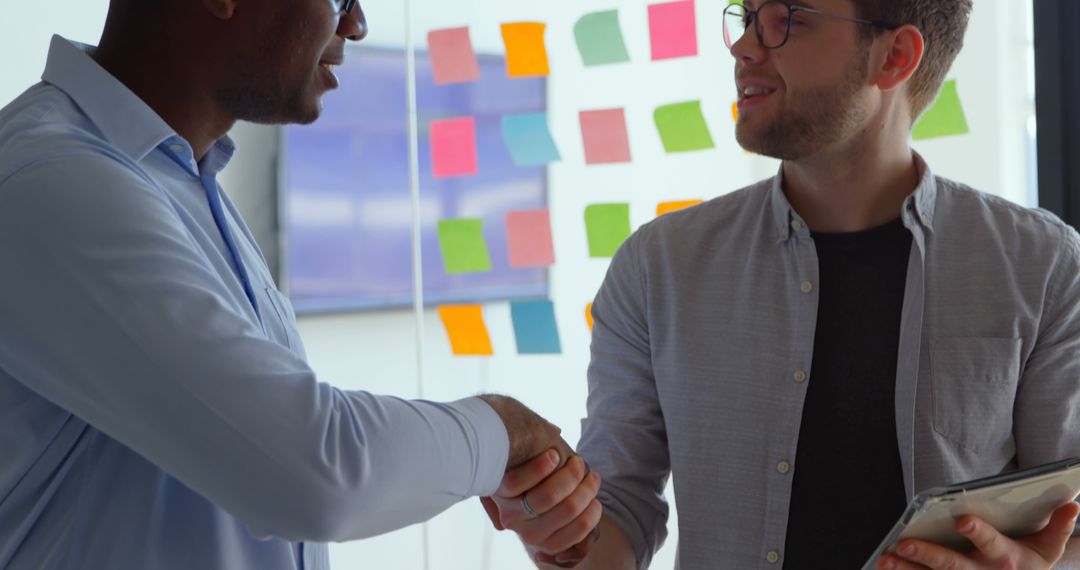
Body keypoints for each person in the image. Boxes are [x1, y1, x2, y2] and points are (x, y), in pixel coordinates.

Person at [0, 0, 599, 568]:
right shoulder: (53, 178)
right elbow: (316, 473)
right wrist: (503, 430)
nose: (358, 24)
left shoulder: (181, 181)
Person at [494, 0, 1080, 568]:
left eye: (787, 20)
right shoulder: (656, 268)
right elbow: (615, 520)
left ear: (894, 57)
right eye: (747, 18)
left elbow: (1069, 523)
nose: (745, 48)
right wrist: (560, 531)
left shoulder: (1043, 266)